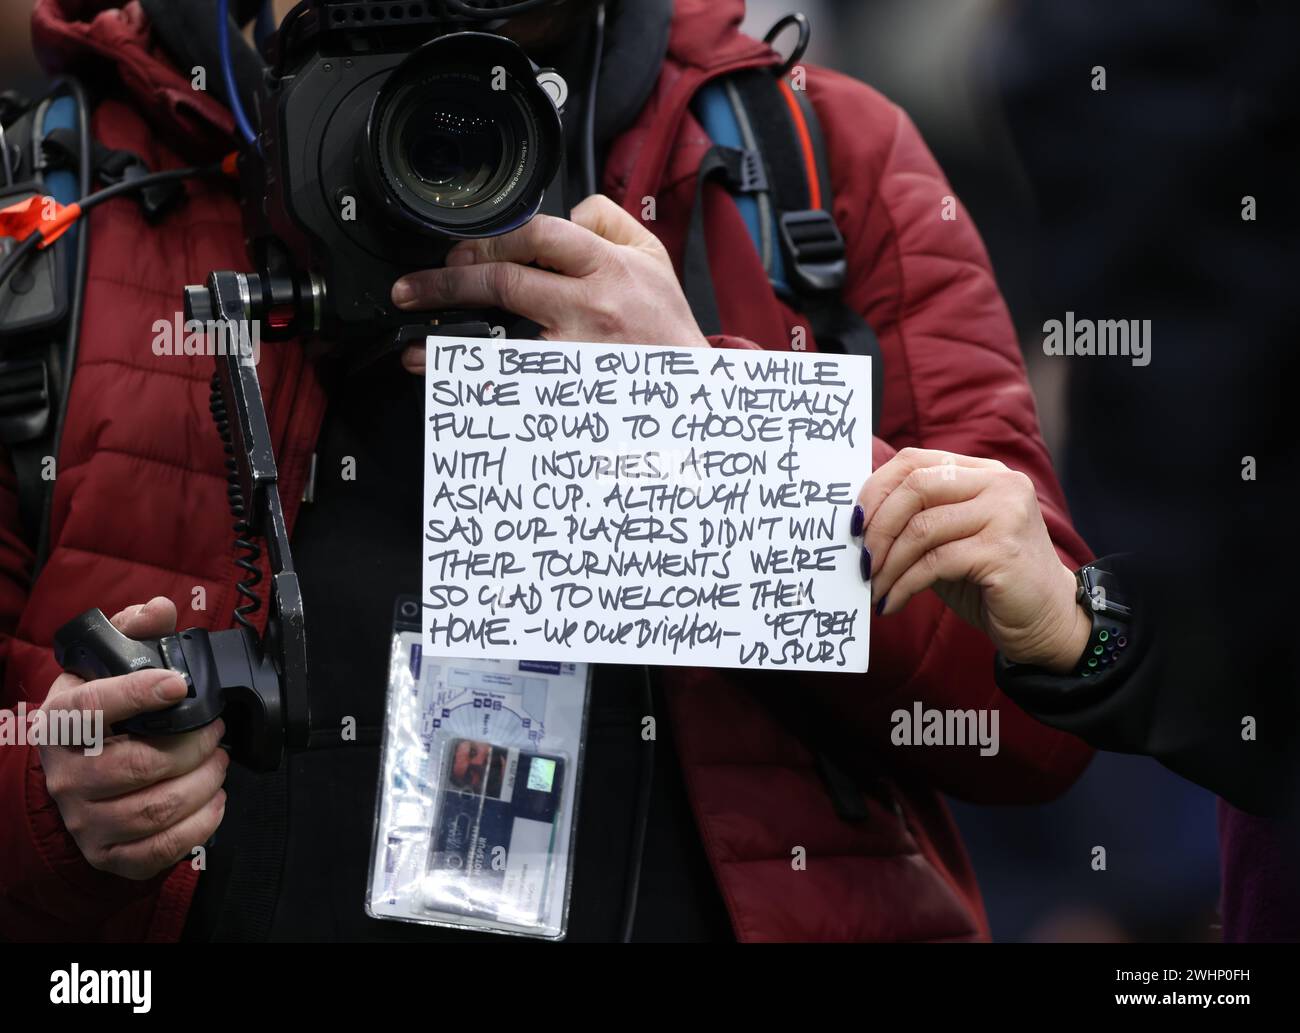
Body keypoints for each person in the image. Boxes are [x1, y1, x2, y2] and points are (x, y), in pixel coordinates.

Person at [2, 0, 1097, 942]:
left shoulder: (808, 160)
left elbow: (1039, 720)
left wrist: (711, 421)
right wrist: (57, 811)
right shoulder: (58, 192)